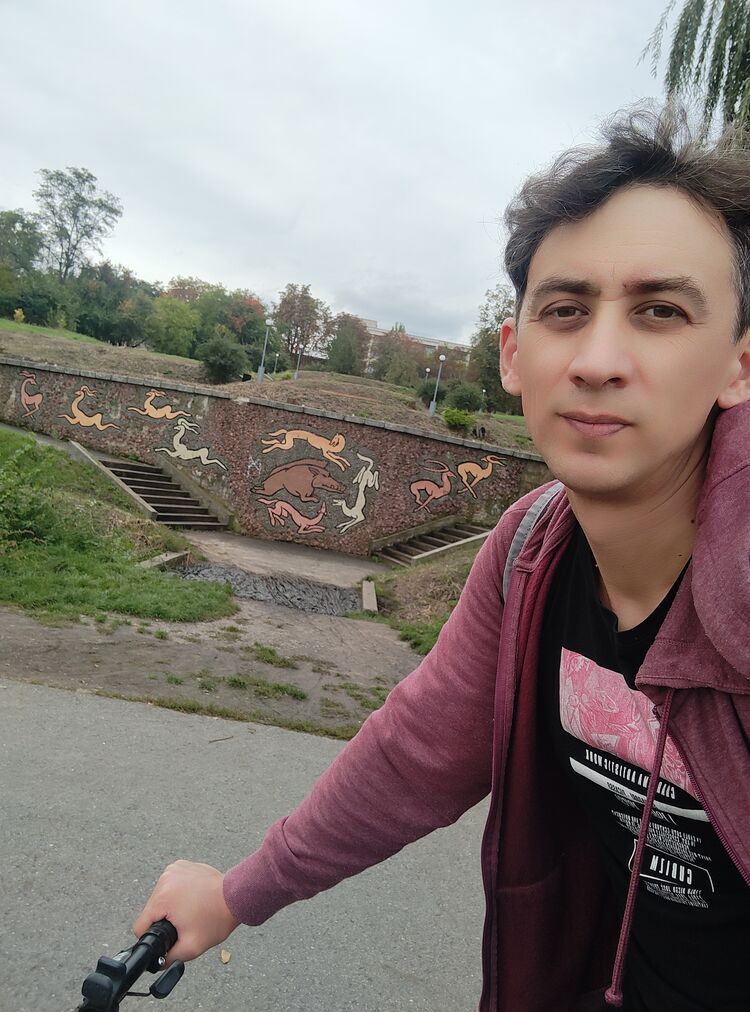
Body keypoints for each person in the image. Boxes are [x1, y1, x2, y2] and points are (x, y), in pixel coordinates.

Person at [134, 106, 750, 1011]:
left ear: (740, 364)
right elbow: (416, 753)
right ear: (514, 355)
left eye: (661, 311)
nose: (598, 359)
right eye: (565, 311)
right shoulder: (531, 552)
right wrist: (236, 893)